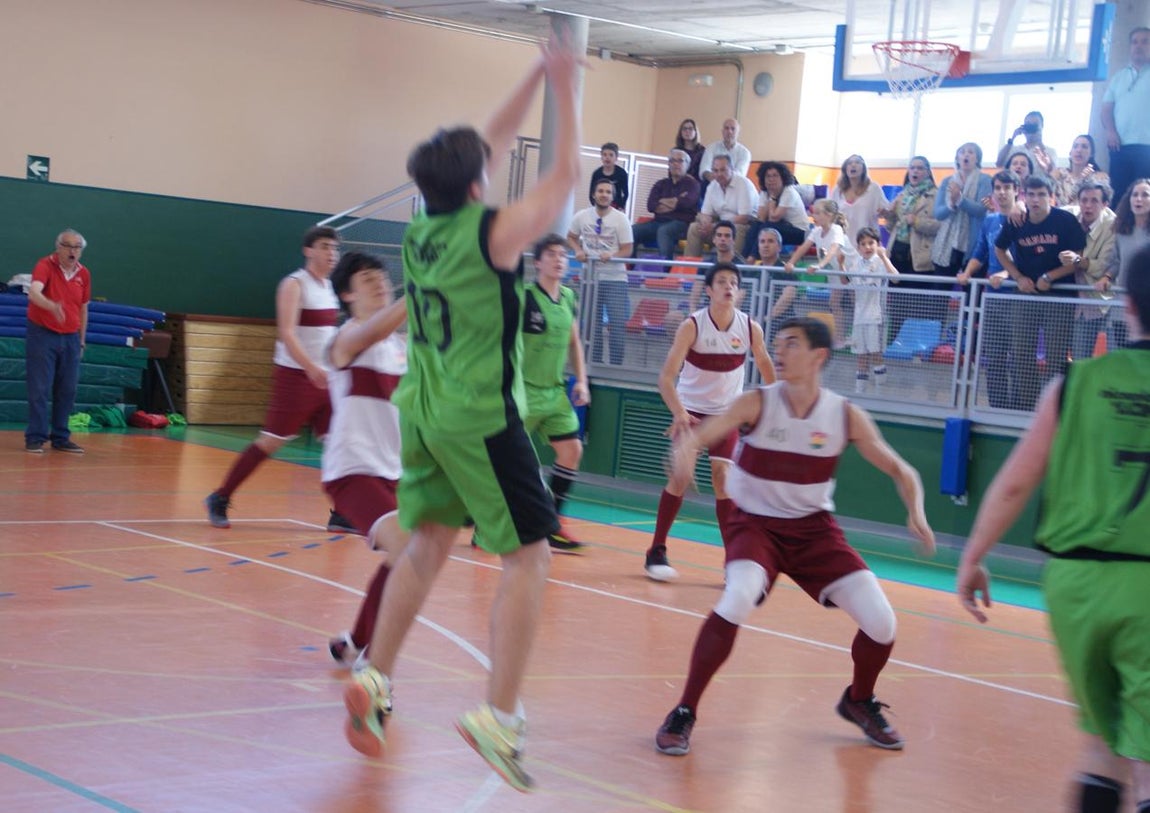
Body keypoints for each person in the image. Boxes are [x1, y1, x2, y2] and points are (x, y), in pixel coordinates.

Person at [340, 33, 582, 793]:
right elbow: (565, 176)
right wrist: (565, 85)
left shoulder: (422, 229)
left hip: (425, 412)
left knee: (428, 544)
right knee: (530, 557)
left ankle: (375, 675)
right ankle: (499, 716)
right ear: (477, 183)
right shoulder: (494, 233)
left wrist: (535, 69)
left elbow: (487, 143)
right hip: (481, 417)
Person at [654, 316, 934, 756]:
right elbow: (696, 439)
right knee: (738, 596)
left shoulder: (843, 415)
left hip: (813, 532)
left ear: (818, 356)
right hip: (755, 525)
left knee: (882, 623)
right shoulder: (756, 402)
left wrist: (916, 511)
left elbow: (903, 470)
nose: (779, 353)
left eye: (791, 345)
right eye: (778, 344)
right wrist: (683, 456)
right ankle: (684, 710)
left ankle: (858, 700)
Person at [955, 244, 1150, 813]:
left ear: (1127, 304)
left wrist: (973, 556)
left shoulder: (1074, 383)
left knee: (1101, 747)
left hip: (1075, 587)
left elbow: (1015, 483)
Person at [204, 226, 353, 532]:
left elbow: (326, 334)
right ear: (308, 250)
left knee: (339, 443)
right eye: (325, 247)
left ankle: (341, 513)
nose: (331, 253)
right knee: (271, 441)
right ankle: (220, 497)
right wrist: (310, 368)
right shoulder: (294, 284)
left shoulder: (329, 287)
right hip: (296, 377)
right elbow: (287, 333)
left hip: (327, 379)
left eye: (335, 248)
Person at [644, 262, 776, 581]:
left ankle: (733, 561)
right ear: (708, 290)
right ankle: (656, 550)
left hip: (726, 415)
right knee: (680, 477)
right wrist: (679, 412)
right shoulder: (692, 326)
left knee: (722, 479)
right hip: (690, 411)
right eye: (721, 282)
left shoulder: (749, 328)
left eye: (733, 282)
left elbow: (765, 365)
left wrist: (776, 404)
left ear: (739, 292)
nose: (728, 286)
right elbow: (666, 378)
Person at [322, 252, 410, 667]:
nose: (380, 284)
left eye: (382, 278)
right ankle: (375, 660)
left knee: (407, 556)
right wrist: (424, 289)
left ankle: (355, 641)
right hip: (353, 470)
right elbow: (375, 331)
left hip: (394, 471)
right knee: (407, 549)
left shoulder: (401, 349)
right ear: (347, 294)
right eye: (367, 279)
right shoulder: (343, 340)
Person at [521, 234, 590, 551]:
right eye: (551, 254)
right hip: (522, 392)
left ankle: (554, 523)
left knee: (572, 450)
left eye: (563, 255)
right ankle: (486, 517)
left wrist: (581, 381)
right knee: (514, 464)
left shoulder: (568, 297)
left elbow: (574, 342)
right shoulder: (524, 298)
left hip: (555, 392)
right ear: (537, 262)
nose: (559, 259)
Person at [994, 174, 1086, 410]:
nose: (1036, 200)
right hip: (1025, 295)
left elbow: (1078, 258)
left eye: (1042, 195)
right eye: (1031, 195)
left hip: (1060, 296)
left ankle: (1052, 409)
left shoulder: (1065, 220)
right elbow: (999, 249)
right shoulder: (1017, 220)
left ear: (1052, 197)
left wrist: (1050, 276)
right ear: (1024, 196)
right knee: (1022, 353)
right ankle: (1027, 407)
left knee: (1056, 356)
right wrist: (1017, 277)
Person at [956, 170, 1022, 410]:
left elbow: (1026, 258)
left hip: (1017, 297)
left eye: (1007, 188)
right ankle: (997, 407)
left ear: (1016, 191)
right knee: (994, 358)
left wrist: (1007, 273)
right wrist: (967, 273)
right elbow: (980, 252)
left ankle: (1018, 408)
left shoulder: (1024, 219)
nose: (1002, 192)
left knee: (1019, 358)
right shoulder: (989, 221)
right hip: (992, 299)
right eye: (998, 188)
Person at [24, 229, 91, 454]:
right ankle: (35, 437)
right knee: (39, 388)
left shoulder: (84, 274)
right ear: (58, 247)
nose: (72, 251)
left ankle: (61, 437)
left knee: (68, 389)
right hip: (43, 334)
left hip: (71, 337)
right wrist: (51, 306)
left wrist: (81, 339)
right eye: (68, 246)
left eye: (77, 247)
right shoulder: (45, 265)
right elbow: (34, 293)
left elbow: (83, 308)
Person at [568, 178, 634, 366]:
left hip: (615, 280)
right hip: (589, 279)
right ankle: (592, 364)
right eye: (601, 191)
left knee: (617, 324)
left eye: (608, 192)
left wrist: (612, 255)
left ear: (612, 197)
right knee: (591, 324)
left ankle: (615, 366)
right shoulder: (581, 216)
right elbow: (571, 237)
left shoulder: (621, 219)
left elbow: (628, 249)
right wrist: (578, 250)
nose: (604, 195)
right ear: (593, 194)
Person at [1059, 178, 1117, 362]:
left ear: (1105, 204)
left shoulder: (1113, 225)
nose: (1088, 206)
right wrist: (1020, 205)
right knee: (1057, 355)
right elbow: (1045, 210)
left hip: (1093, 300)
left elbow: (1102, 266)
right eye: (1084, 200)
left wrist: (1077, 261)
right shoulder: (1069, 214)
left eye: (1094, 201)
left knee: (1081, 358)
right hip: (1064, 296)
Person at [784, 199, 851, 348]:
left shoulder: (836, 230)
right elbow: (803, 247)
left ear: (829, 215)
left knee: (856, 301)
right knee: (834, 302)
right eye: (813, 213)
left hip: (851, 269)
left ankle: (855, 337)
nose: (814, 216)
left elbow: (833, 250)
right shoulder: (816, 231)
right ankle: (840, 338)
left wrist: (820, 265)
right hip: (835, 271)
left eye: (818, 213)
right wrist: (791, 262)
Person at [1101, 27, 1150, 203]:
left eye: (1145, 41)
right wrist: (1110, 131)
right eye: (1135, 42)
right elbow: (1106, 109)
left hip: (1147, 147)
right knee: (1119, 196)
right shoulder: (1119, 77)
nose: (1139, 46)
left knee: (1145, 197)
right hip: (1120, 147)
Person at [848, 227, 899, 393]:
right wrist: (840, 263)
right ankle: (859, 393)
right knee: (861, 355)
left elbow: (896, 278)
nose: (867, 247)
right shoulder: (856, 263)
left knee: (875, 353)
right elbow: (846, 281)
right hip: (858, 317)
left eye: (871, 243)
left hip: (875, 317)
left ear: (878, 244)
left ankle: (880, 391)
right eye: (863, 244)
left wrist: (884, 257)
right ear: (858, 247)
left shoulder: (880, 261)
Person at [1102, 178, 1150, 348]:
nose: (1139, 199)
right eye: (1135, 195)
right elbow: (1116, 261)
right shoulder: (1121, 231)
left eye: (1145, 195)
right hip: (1122, 306)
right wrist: (1107, 277)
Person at [631, 149, 700, 260]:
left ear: (688, 165)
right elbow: (651, 205)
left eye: (680, 161)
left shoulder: (692, 184)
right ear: (668, 164)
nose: (676, 164)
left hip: (682, 224)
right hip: (658, 222)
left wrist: (662, 201)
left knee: (664, 231)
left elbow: (687, 203)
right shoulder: (661, 184)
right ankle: (630, 266)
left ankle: (665, 268)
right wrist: (676, 201)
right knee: (633, 230)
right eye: (672, 161)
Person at [684, 155, 757, 257]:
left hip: (744, 226)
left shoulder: (743, 184)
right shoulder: (712, 186)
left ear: (732, 169)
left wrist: (716, 226)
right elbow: (706, 213)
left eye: (723, 170)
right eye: (715, 170)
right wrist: (706, 224)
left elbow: (744, 218)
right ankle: (690, 265)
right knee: (695, 228)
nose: (719, 174)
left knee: (738, 229)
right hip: (719, 225)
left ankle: (731, 265)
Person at [744, 161, 810, 257]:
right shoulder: (764, 192)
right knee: (755, 225)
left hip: (799, 231)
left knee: (767, 227)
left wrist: (773, 198)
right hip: (780, 227)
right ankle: (745, 257)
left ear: (782, 178)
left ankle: (753, 257)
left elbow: (773, 218)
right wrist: (770, 195)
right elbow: (761, 218)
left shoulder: (789, 192)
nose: (771, 179)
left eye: (775, 176)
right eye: (768, 176)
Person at [996, 110, 1058, 178]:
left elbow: (1052, 171)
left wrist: (1039, 143)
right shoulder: (1015, 150)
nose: (1031, 128)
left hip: (1039, 184)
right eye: (1028, 125)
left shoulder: (1050, 151)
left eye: (1035, 125)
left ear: (1042, 126)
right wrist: (1012, 139)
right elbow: (999, 163)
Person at [1053, 134, 1109, 208]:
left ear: (1091, 154)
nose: (1079, 150)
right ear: (1070, 152)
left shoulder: (1100, 177)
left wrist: (1086, 181)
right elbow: (1062, 204)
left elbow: (1103, 205)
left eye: (1084, 147)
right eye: (1075, 146)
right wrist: (1048, 169)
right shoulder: (1059, 174)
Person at [699, 118, 752, 182]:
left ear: (738, 132)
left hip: (735, 185)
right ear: (722, 131)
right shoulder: (711, 148)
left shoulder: (745, 153)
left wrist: (721, 178)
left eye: (733, 129)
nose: (729, 131)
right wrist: (716, 179)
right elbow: (704, 169)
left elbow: (740, 174)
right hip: (712, 182)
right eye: (726, 128)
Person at [588, 141, 629, 211]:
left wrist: (621, 206)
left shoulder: (622, 173)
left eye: (611, 155)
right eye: (604, 155)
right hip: (599, 205)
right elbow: (591, 193)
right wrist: (595, 205)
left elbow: (626, 193)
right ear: (601, 157)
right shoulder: (597, 174)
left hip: (616, 207)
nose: (607, 157)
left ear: (616, 158)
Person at [674, 118, 706, 183]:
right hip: (679, 183)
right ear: (681, 132)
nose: (687, 131)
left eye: (690, 129)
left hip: (698, 184)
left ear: (695, 132)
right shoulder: (676, 151)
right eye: (684, 129)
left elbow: (703, 171)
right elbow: (672, 171)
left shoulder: (702, 151)